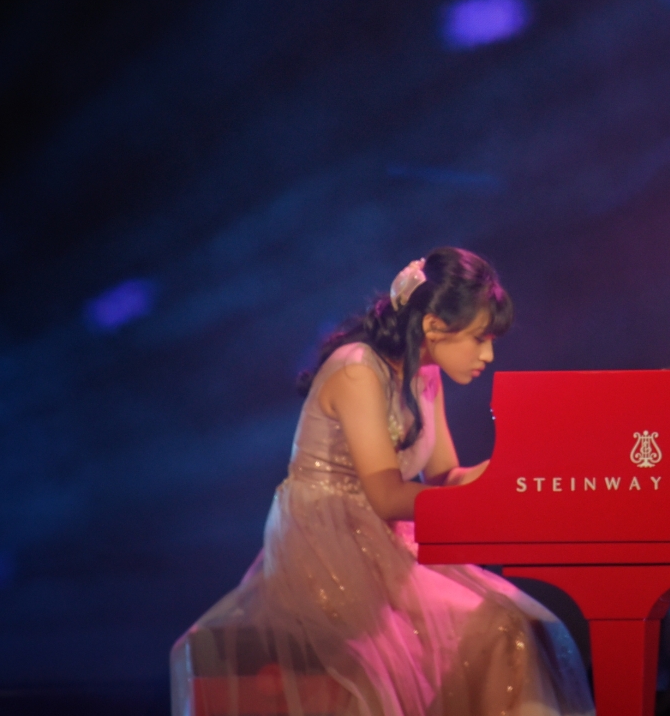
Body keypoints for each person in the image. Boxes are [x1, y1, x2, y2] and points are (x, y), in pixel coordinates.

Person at [171, 247, 593, 716]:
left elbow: (445, 476)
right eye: (479, 339)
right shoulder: (358, 369)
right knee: (497, 626)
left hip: (383, 542)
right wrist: (492, 487)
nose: (489, 355)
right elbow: (388, 496)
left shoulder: (426, 376)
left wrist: (513, 470)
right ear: (434, 326)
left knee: (529, 622)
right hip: (326, 545)